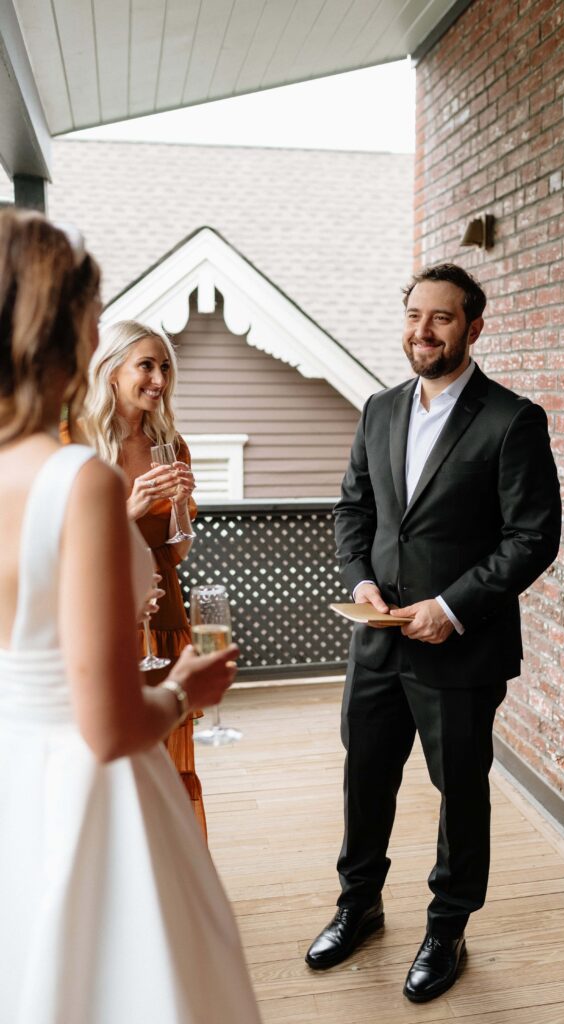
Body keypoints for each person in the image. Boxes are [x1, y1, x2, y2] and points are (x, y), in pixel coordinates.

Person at [0, 209, 261, 1023]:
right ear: (72, 332)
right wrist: (185, 689)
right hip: (88, 790)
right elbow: (111, 727)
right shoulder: (79, 478)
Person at [305, 263, 562, 1003]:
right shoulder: (378, 409)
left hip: (461, 644)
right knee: (365, 778)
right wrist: (359, 579)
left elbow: (531, 537)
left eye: (441, 318)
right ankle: (358, 904)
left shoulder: (513, 420)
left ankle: (447, 926)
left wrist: (449, 608)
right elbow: (353, 508)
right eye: (414, 314)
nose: (422, 330)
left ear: (473, 328)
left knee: (460, 793)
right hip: (376, 639)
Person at [82, 320, 209, 836]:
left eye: (164, 367)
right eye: (146, 365)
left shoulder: (171, 444)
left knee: (166, 754)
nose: (159, 379)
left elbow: (175, 550)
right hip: (105, 610)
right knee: (114, 751)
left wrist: (179, 507)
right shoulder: (80, 444)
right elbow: (73, 542)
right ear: (111, 371)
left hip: (165, 609)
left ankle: (169, 872)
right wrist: (128, 507)